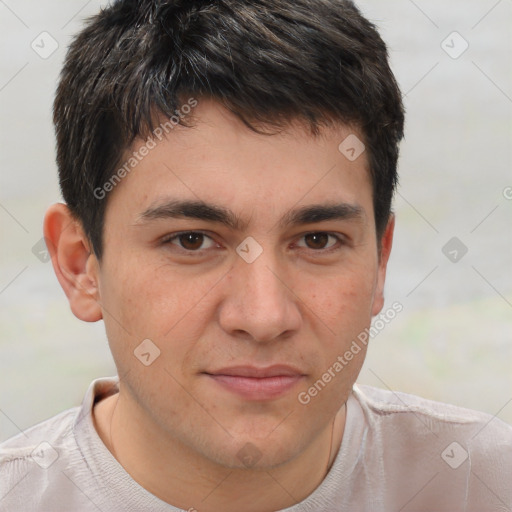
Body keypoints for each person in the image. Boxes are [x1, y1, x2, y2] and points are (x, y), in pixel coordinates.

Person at [1, 0, 510, 510]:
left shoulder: (485, 484)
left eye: (317, 240)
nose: (265, 317)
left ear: (380, 261)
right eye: (192, 240)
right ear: (79, 264)